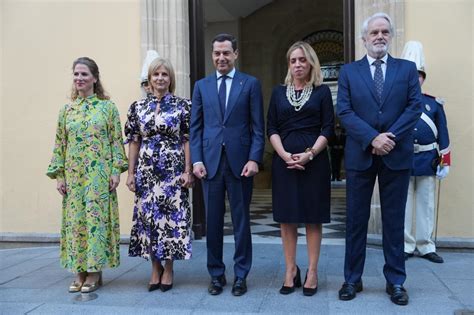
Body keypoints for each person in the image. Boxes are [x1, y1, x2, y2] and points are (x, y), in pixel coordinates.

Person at [336, 13, 422, 306]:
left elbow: (414, 107)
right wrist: (373, 137)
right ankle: (352, 278)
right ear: (364, 38)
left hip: (396, 155)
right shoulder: (349, 72)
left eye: (385, 31)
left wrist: (390, 137)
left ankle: (396, 281)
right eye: (374, 32)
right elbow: (344, 111)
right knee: (356, 220)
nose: (380, 36)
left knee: (394, 221)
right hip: (361, 154)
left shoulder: (407, 70)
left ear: (391, 36)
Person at [190, 33, 265, 296]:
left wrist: (255, 158)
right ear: (212, 56)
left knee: (241, 221)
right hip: (209, 165)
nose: (221, 58)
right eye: (217, 53)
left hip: (241, 163)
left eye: (226, 53)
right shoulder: (202, 86)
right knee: (212, 223)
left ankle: (241, 274)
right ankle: (216, 274)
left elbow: (258, 127)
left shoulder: (250, 84)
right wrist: (196, 160)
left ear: (235, 54)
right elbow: (196, 128)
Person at [47, 57, 128, 293]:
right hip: (73, 177)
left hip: (98, 177)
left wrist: (115, 171)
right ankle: (78, 271)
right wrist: (59, 175)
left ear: (94, 78)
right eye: (76, 75)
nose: (79, 79)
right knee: (76, 223)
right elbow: (60, 144)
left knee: (95, 222)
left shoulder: (107, 108)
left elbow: (116, 142)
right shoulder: (66, 110)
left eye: (84, 74)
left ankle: (94, 272)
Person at [267, 41, 334, 296]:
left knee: (312, 217)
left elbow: (327, 128)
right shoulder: (277, 93)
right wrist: (284, 155)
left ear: (311, 63)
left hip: (314, 163)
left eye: (302, 60)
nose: (297, 65)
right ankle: (290, 269)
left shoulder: (322, 93)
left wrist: (308, 154)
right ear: (289, 64)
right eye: (293, 60)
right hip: (284, 163)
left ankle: (313, 271)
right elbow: (271, 127)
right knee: (287, 218)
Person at [125, 58, 193, 292]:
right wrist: (131, 173)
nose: (160, 78)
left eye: (165, 74)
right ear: (150, 79)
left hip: (172, 172)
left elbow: (187, 140)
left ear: (170, 78)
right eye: (156, 75)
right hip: (146, 172)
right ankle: (155, 267)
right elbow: (134, 141)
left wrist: (188, 170)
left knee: (171, 219)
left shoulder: (183, 105)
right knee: (149, 219)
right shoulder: (137, 107)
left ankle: (169, 267)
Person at [400, 41, 451, 264]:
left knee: (426, 205)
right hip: (402, 158)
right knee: (404, 206)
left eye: (419, 75)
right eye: (412, 75)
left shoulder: (434, 104)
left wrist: (445, 162)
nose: (416, 78)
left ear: (422, 78)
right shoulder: (397, 103)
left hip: (427, 159)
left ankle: (426, 245)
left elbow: (444, 135)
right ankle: (406, 245)